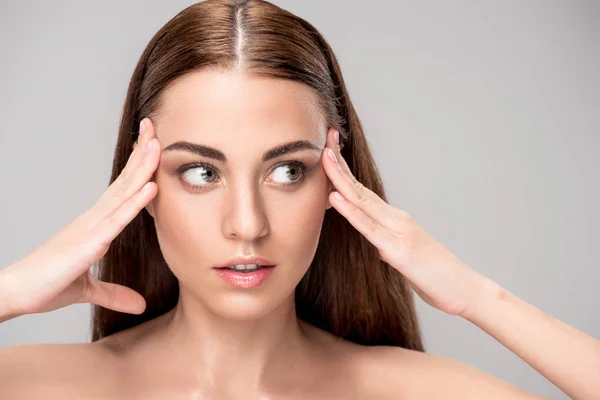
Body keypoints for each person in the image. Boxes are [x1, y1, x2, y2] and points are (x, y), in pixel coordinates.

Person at [0, 0, 597, 398]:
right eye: (201, 172)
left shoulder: (414, 393)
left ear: (336, 179)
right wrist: (10, 291)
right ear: (142, 187)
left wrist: (477, 296)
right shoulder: (41, 386)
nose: (246, 225)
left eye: (287, 170)